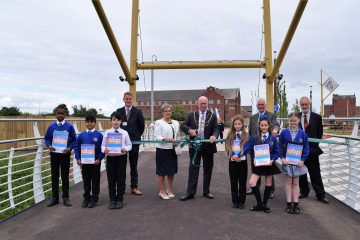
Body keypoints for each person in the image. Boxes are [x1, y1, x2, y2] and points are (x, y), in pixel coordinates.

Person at [180, 96, 219, 201]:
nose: (203, 105)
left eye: (204, 104)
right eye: (201, 103)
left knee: (208, 170)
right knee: (193, 169)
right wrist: (189, 130)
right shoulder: (191, 115)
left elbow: (216, 128)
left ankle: (206, 191)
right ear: (198, 104)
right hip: (195, 147)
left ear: (207, 104)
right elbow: (182, 125)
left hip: (208, 147)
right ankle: (190, 193)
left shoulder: (213, 116)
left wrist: (214, 136)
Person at [297, 96, 329, 203]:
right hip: (299, 150)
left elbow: (319, 133)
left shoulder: (317, 117)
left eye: (306, 104)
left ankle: (320, 195)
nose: (304, 106)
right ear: (300, 105)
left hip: (312, 150)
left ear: (309, 105)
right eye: (303, 104)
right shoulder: (296, 117)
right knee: (301, 173)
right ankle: (304, 191)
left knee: (315, 173)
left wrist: (314, 146)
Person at [247, 98, 279, 198]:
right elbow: (250, 131)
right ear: (257, 106)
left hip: (267, 146)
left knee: (268, 170)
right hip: (256, 146)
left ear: (265, 105)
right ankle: (255, 187)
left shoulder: (271, 115)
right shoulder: (253, 117)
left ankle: (270, 190)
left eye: (262, 105)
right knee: (255, 168)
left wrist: (275, 130)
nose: (260, 106)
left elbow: (276, 125)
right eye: (259, 105)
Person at [44, 106, 77, 207]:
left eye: (62, 113)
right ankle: (55, 198)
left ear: (65, 115)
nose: (60, 115)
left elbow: (75, 140)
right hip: (54, 155)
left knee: (65, 176)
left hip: (65, 154)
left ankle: (66, 197)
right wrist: (49, 145)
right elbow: (47, 139)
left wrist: (69, 148)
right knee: (54, 176)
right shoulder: (51, 127)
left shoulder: (69, 127)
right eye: (59, 113)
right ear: (56, 115)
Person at [249, 116, 281, 213]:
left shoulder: (273, 138)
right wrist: (254, 159)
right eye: (262, 125)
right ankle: (259, 203)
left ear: (269, 126)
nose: (264, 127)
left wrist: (272, 160)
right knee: (252, 183)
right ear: (259, 126)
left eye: (265, 125)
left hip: (268, 164)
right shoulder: (255, 138)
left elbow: (277, 152)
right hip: (258, 164)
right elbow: (252, 151)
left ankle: (264, 205)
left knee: (268, 184)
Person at [279, 113, 310, 214]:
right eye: (291, 120)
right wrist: (282, 158)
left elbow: (306, 148)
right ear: (288, 121)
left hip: (297, 162)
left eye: (295, 120)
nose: (293, 122)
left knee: (296, 182)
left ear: (298, 121)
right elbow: (279, 147)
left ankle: (296, 204)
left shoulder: (302, 134)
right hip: (287, 162)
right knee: (288, 182)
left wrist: (302, 160)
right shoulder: (284, 133)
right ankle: (288, 203)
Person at [102, 112, 132, 209]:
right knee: (111, 179)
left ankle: (119, 199)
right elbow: (103, 145)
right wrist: (104, 150)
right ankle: (112, 199)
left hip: (121, 157)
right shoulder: (107, 133)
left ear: (121, 122)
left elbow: (129, 145)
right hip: (110, 158)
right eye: (114, 119)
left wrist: (125, 149)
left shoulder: (124, 133)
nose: (116, 122)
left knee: (120, 178)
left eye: (118, 120)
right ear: (111, 121)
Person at [116, 92, 145, 195]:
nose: (128, 100)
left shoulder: (137, 112)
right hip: (121, 143)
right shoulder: (118, 111)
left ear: (132, 100)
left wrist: (135, 135)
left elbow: (141, 126)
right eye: (126, 98)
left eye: (129, 99)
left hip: (134, 142)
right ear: (123, 99)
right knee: (121, 166)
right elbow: (116, 124)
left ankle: (134, 187)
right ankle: (121, 187)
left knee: (133, 165)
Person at [74, 115, 104, 208]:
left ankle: (95, 198)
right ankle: (87, 197)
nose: (89, 123)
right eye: (87, 122)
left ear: (95, 123)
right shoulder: (81, 135)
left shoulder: (99, 135)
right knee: (86, 180)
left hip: (95, 163)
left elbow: (103, 149)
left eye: (91, 121)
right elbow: (77, 147)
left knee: (95, 180)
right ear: (85, 123)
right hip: (85, 163)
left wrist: (99, 159)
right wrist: (78, 158)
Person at [154, 104, 180, 200]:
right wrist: (167, 139)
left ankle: (169, 190)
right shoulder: (158, 122)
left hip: (172, 150)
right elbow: (157, 136)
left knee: (171, 171)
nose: (168, 112)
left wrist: (177, 142)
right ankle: (162, 191)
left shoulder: (176, 122)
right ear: (162, 112)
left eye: (169, 111)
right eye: (166, 111)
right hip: (162, 150)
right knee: (161, 171)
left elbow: (177, 136)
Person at [225, 115, 251, 209]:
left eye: (239, 124)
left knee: (242, 182)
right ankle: (235, 201)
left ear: (242, 124)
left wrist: (239, 155)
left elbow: (247, 147)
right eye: (235, 124)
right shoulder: (230, 134)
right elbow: (227, 146)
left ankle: (241, 201)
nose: (237, 125)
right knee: (233, 181)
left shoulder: (246, 135)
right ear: (233, 125)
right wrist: (233, 155)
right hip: (232, 161)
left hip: (242, 161)